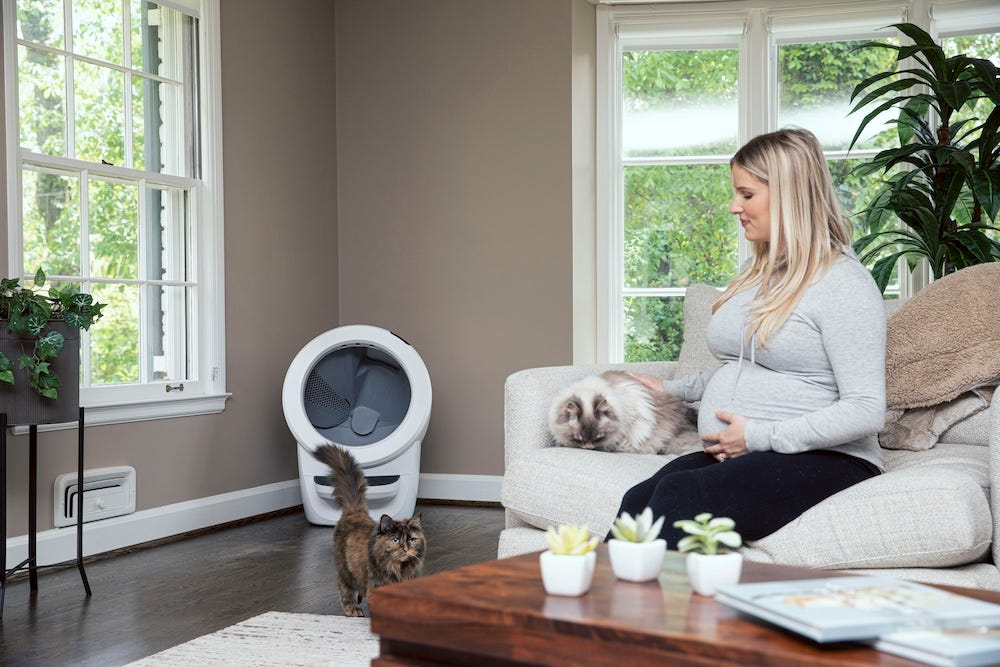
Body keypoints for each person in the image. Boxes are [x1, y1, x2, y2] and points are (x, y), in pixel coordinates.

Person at [614, 127, 886, 547]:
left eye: (746, 194)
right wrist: (669, 390)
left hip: (831, 458)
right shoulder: (756, 274)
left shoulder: (842, 283)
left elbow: (866, 409)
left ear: (788, 195)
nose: (733, 206)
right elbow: (743, 366)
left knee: (681, 497)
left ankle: (637, 608)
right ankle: (598, 607)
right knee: (638, 499)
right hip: (756, 451)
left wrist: (759, 436)